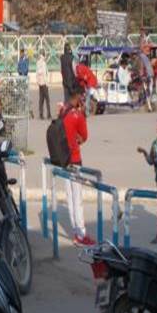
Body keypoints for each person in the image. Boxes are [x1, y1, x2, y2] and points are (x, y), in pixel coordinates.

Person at [59, 85, 92, 246]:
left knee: (70, 197)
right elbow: (84, 136)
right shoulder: (77, 115)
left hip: (63, 158)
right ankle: (81, 233)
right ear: (78, 96)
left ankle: (75, 232)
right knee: (77, 198)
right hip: (75, 158)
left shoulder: (62, 111)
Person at [36, 52, 52, 120]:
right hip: (44, 83)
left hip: (40, 83)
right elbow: (45, 74)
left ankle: (41, 114)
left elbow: (37, 73)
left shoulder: (38, 63)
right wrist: (47, 83)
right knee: (47, 99)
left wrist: (38, 81)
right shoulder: (44, 63)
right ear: (44, 56)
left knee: (41, 99)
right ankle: (48, 114)